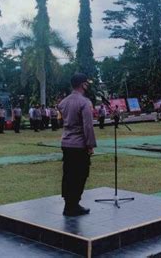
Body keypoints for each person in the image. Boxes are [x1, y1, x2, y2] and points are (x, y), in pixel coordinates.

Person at [58, 73, 96, 216]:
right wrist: (90, 145)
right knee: (80, 174)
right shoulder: (84, 102)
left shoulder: (64, 102)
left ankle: (69, 204)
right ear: (83, 85)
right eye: (87, 83)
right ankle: (73, 205)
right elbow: (88, 126)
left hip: (66, 142)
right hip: (79, 144)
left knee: (68, 174)